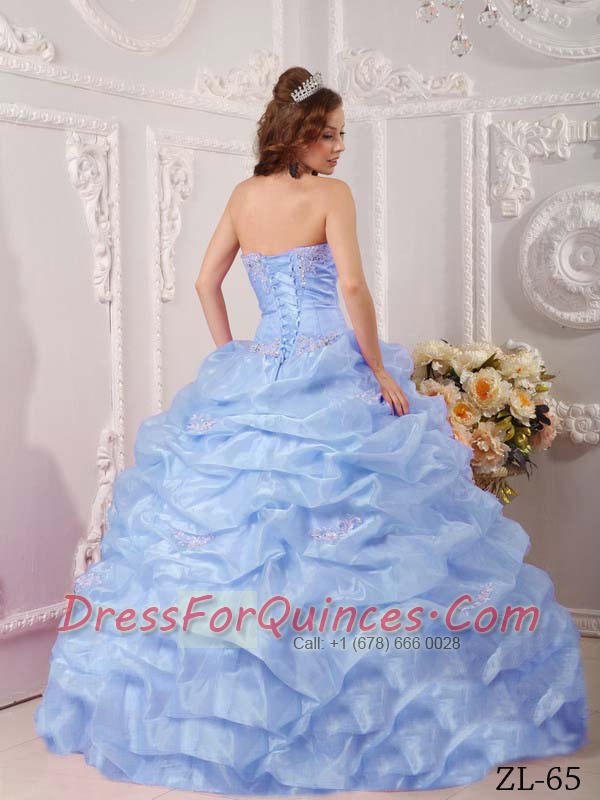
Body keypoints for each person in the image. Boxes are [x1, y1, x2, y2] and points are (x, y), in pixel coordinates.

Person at [34, 66, 588, 795]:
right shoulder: (331, 196)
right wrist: (379, 370)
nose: (339, 147)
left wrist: (233, 354)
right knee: (356, 529)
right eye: (328, 134)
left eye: (342, 135)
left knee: (255, 539)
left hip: (261, 365)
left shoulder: (244, 196)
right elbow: (351, 286)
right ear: (296, 133)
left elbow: (204, 281)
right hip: (333, 366)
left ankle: (249, 704)